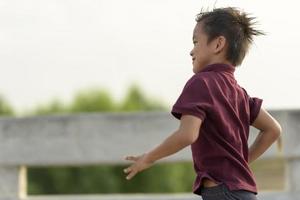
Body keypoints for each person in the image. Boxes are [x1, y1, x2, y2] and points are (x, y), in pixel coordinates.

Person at [123, 7, 282, 200]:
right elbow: (273, 129)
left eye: (196, 42)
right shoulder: (239, 93)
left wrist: (149, 157)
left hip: (222, 193)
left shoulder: (201, 82)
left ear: (218, 44)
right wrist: (240, 163)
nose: (191, 51)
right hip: (244, 192)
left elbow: (188, 134)